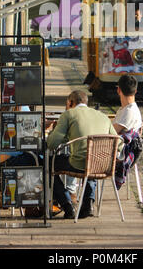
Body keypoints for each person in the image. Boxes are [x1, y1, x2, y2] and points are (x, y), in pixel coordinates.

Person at [47, 90, 119, 220]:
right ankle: (88, 203)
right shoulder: (103, 116)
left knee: (47, 164)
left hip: (78, 164)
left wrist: (53, 131)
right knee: (91, 158)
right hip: (103, 165)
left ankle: (68, 205)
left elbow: (52, 143)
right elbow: (118, 143)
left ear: (70, 102)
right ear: (86, 102)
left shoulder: (69, 114)